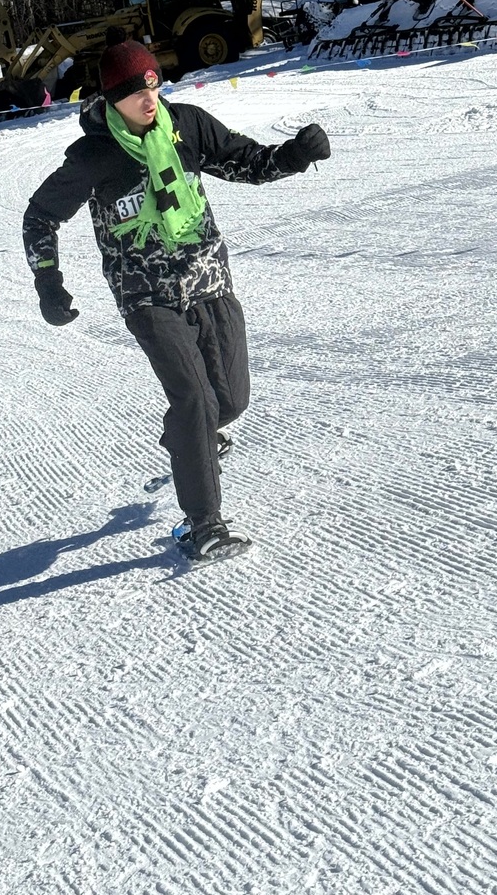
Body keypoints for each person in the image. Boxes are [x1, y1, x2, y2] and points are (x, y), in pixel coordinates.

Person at [23, 29, 331, 557]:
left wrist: (295, 156)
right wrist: (48, 282)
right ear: (112, 100)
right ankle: (203, 525)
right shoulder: (96, 157)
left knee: (229, 400)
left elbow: (246, 161)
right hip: (147, 298)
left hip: (209, 278)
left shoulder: (185, 125)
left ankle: (193, 440)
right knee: (192, 398)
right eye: (137, 93)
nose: (150, 100)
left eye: (154, 86)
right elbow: (40, 216)